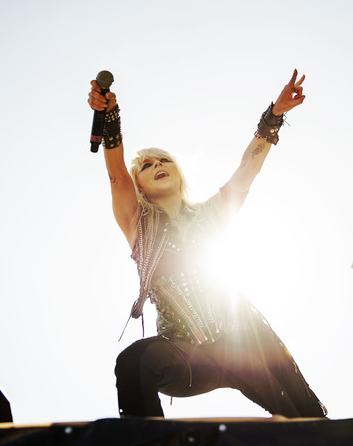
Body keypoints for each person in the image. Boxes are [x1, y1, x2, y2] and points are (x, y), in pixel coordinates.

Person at [87, 70, 326, 418]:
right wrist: (109, 115)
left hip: (243, 343)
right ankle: (148, 441)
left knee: (300, 408)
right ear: (139, 188)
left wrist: (275, 114)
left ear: (179, 172)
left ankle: (314, 428)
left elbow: (249, 166)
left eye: (163, 160)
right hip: (187, 356)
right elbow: (116, 175)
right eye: (147, 166)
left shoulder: (213, 214)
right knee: (134, 360)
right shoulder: (139, 226)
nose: (157, 165)